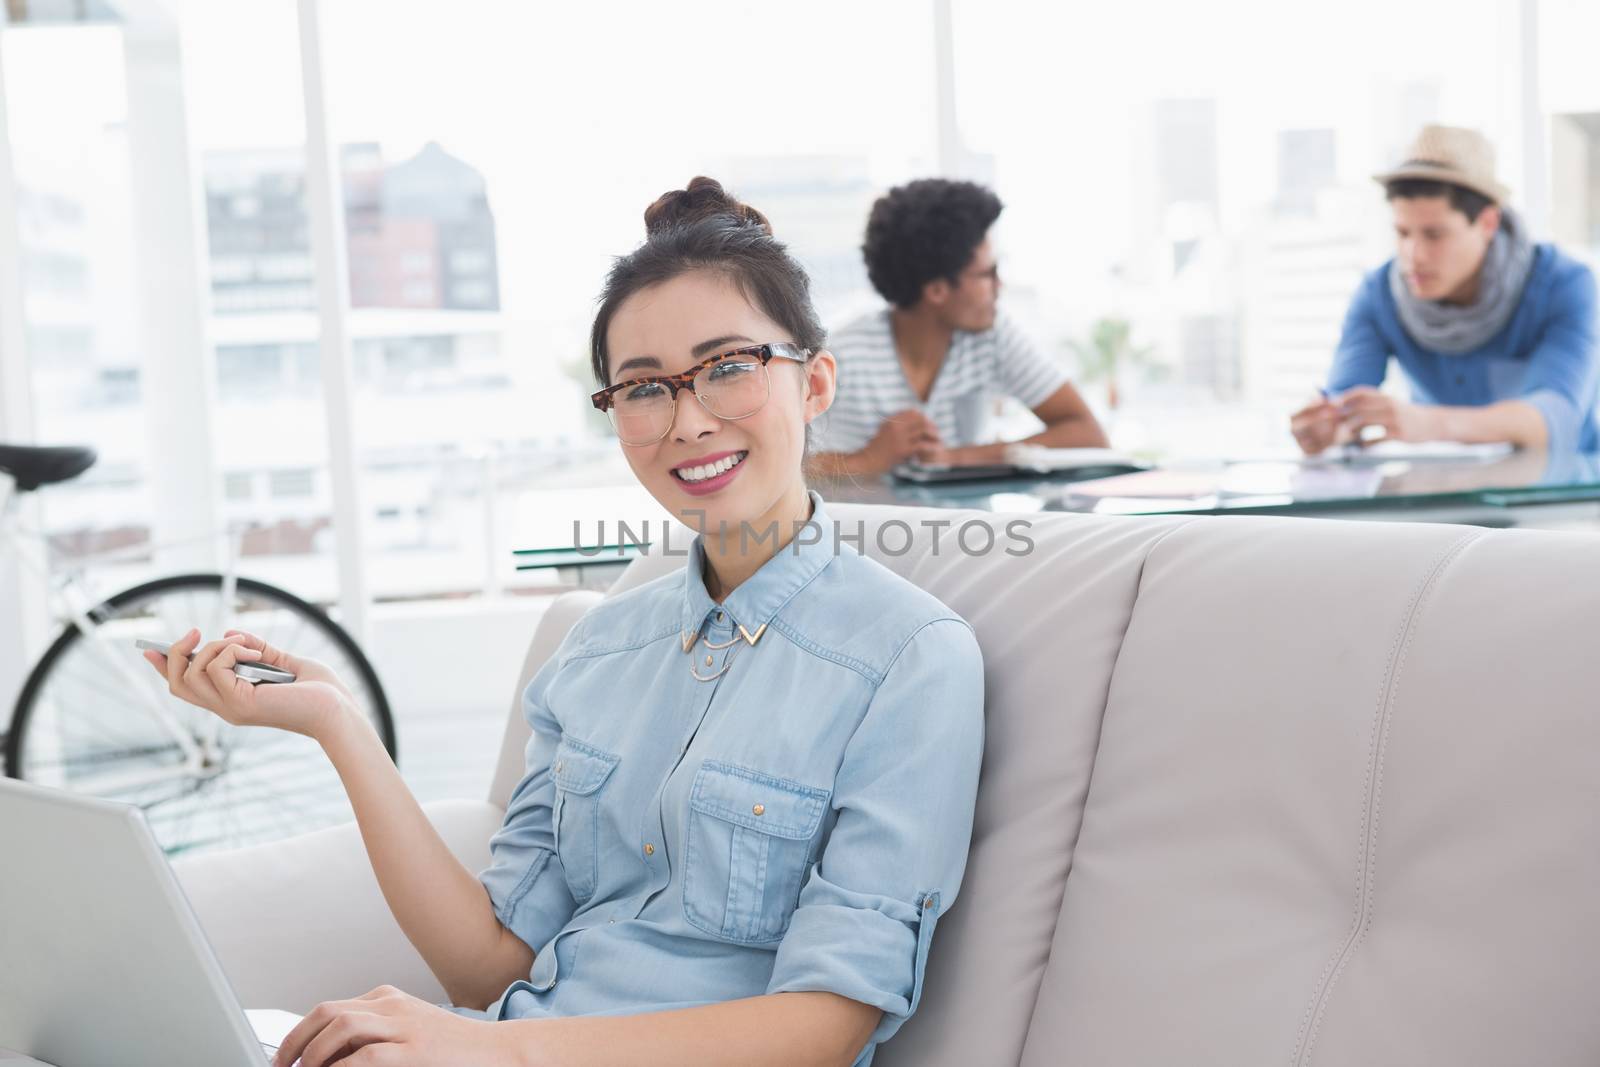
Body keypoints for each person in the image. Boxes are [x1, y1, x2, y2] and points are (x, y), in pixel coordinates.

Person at [143, 177, 986, 1067]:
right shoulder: (599, 650)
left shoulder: (911, 658)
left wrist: (492, 1052)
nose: (688, 420)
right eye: (643, 388)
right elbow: (487, 965)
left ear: (814, 383)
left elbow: (825, 1026)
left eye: (729, 367)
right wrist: (338, 726)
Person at [1291, 124, 1600, 456]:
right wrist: (1325, 428)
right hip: (1446, 493)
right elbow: (1344, 405)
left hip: (1563, 499)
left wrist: (1430, 424)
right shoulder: (1378, 293)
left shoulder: (1565, 284)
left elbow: (1556, 419)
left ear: (1487, 224)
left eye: (1434, 235)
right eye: (1403, 233)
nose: (1413, 256)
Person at [809, 178, 1107, 478]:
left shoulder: (992, 336)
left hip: (967, 525)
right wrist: (870, 460)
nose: (999, 285)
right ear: (937, 290)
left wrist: (957, 457)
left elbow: (1089, 435)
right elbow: (784, 469)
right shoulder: (841, 357)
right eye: (987, 274)